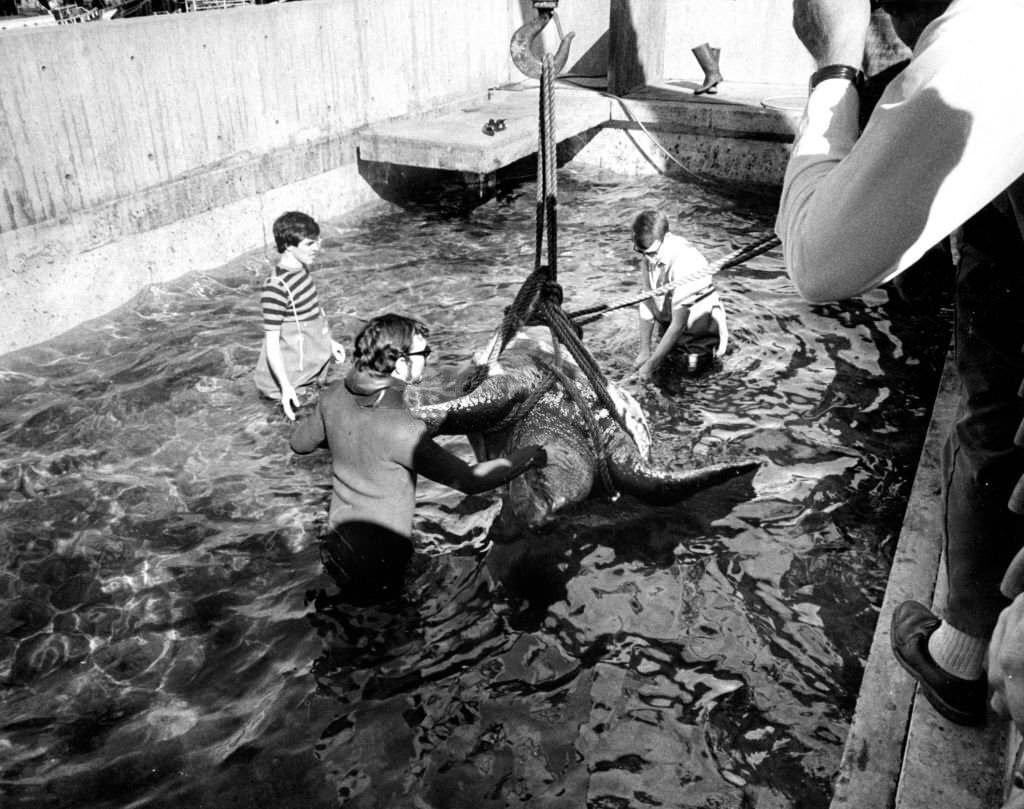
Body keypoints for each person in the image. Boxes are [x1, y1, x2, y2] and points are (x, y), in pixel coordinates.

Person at [776, 0, 1024, 727]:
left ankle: (961, 653)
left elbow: (818, 258)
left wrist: (834, 64)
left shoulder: (986, 36)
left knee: (990, 399)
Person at [290, 314, 547, 603]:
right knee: (399, 635)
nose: (428, 358)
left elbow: (300, 444)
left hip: (336, 544)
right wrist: (528, 455)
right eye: (424, 353)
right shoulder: (404, 430)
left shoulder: (332, 397)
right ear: (401, 364)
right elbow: (471, 481)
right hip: (382, 561)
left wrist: (344, 432)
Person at [254, 211, 346, 420]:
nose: (317, 248)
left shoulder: (302, 269)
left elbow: (314, 310)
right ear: (288, 245)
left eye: (318, 241)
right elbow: (272, 342)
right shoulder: (275, 287)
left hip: (309, 369)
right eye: (310, 243)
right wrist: (286, 387)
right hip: (289, 382)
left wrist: (330, 342)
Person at [630, 209, 728, 382]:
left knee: (683, 387)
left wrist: (651, 365)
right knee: (656, 378)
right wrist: (645, 350)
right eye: (641, 251)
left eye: (650, 252)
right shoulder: (649, 253)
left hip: (697, 340)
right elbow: (646, 300)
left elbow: (678, 324)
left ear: (666, 238)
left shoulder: (686, 262)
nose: (647, 259)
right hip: (670, 329)